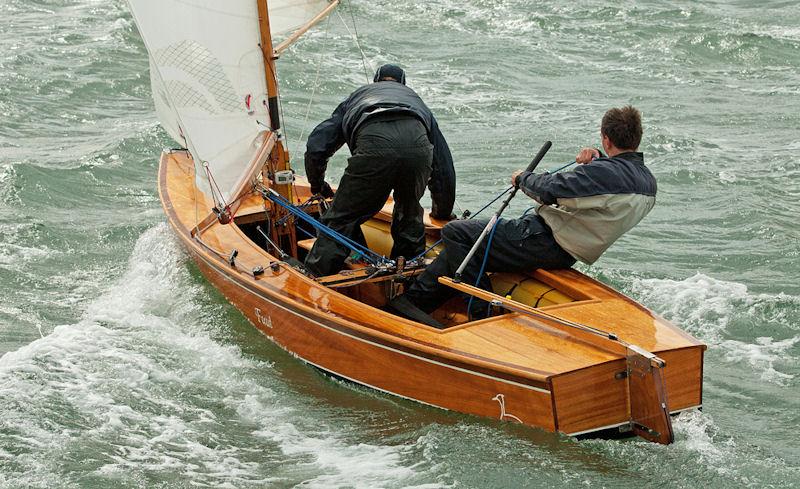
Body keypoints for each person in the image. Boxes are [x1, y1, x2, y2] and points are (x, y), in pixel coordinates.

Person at [396, 105, 656, 320]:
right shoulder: (646, 183)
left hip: (543, 239)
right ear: (636, 138)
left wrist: (523, 177)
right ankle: (412, 304)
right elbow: (605, 196)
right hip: (569, 250)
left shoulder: (604, 175)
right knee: (470, 249)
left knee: (455, 233)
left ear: (606, 138)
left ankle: (483, 311)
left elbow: (550, 190)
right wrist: (598, 159)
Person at [302, 64, 456, 277]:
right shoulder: (417, 102)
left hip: (373, 144)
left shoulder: (358, 97)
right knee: (409, 214)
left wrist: (318, 185)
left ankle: (314, 277)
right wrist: (442, 212)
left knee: (342, 220)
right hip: (417, 149)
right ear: (403, 83)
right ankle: (409, 277)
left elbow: (317, 146)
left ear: (376, 80)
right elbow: (443, 167)